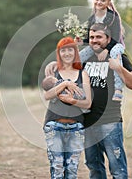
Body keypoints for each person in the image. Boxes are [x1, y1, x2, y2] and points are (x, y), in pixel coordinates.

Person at [45, 23, 132, 179]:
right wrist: (54, 63)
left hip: (110, 121)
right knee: (94, 167)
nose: (95, 40)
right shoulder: (84, 57)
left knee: (117, 168)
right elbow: (68, 66)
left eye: (99, 37)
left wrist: (119, 68)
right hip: (87, 122)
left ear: (108, 39)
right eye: (92, 37)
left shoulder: (117, 56)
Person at [42, 36, 92, 179]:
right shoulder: (53, 72)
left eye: (70, 49)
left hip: (76, 127)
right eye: (63, 50)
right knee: (57, 168)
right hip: (54, 126)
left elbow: (88, 103)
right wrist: (64, 84)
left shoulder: (83, 74)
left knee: (71, 170)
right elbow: (47, 95)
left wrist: (73, 101)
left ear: (75, 52)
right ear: (59, 53)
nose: (67, 53)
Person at [76, 0, 126, 101]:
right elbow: (90, 37)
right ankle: (79, 87)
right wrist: (82, 41)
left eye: (102, 0)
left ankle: (118, 89)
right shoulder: (92, 18)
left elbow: (116, 37)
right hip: (98, 44)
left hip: (114, 44)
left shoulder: (113, 17)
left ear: (108, 3)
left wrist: (106, 50)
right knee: (79, 57)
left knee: (115, 54)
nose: (99, 2)